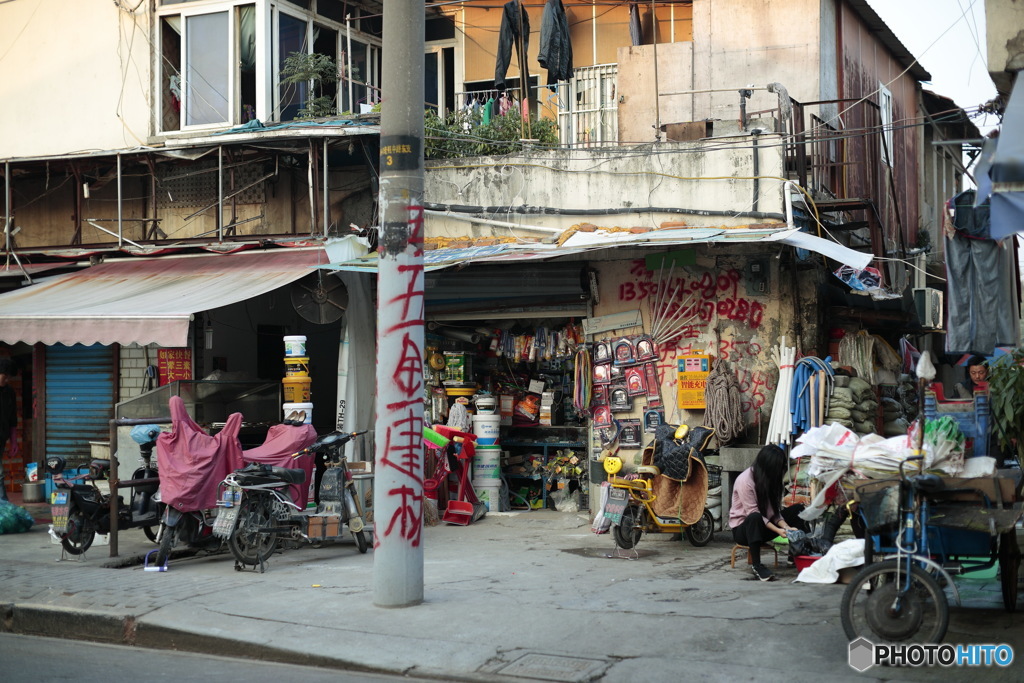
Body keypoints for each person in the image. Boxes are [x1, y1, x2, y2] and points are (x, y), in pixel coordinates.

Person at [729, 444, 805, 582]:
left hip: (764, 526)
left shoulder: (766, 480)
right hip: (744, 531)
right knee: (755, 517)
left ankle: (796, 554)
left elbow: (773, 512)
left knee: (798, 510)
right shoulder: (745, 481)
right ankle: (757, 566)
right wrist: (778, 530)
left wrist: (787, 528)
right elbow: (754, 513)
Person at [0, 359, 17, 502]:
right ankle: (4, 504)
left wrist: (14, 442)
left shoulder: (9, 392)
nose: (7, 379)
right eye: (4, 375)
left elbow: (12, 419)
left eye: (9, 376)